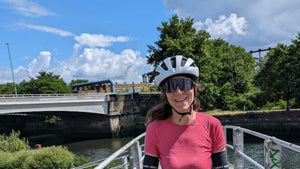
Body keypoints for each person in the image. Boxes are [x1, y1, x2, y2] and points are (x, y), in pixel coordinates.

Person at [143, 55, 229, 169]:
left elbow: (222, 167)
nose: (178, 91)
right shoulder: (154, 129)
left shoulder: (212, 125)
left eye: (184, 84)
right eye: (171, 86)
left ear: (195, 88)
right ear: (165, 94)